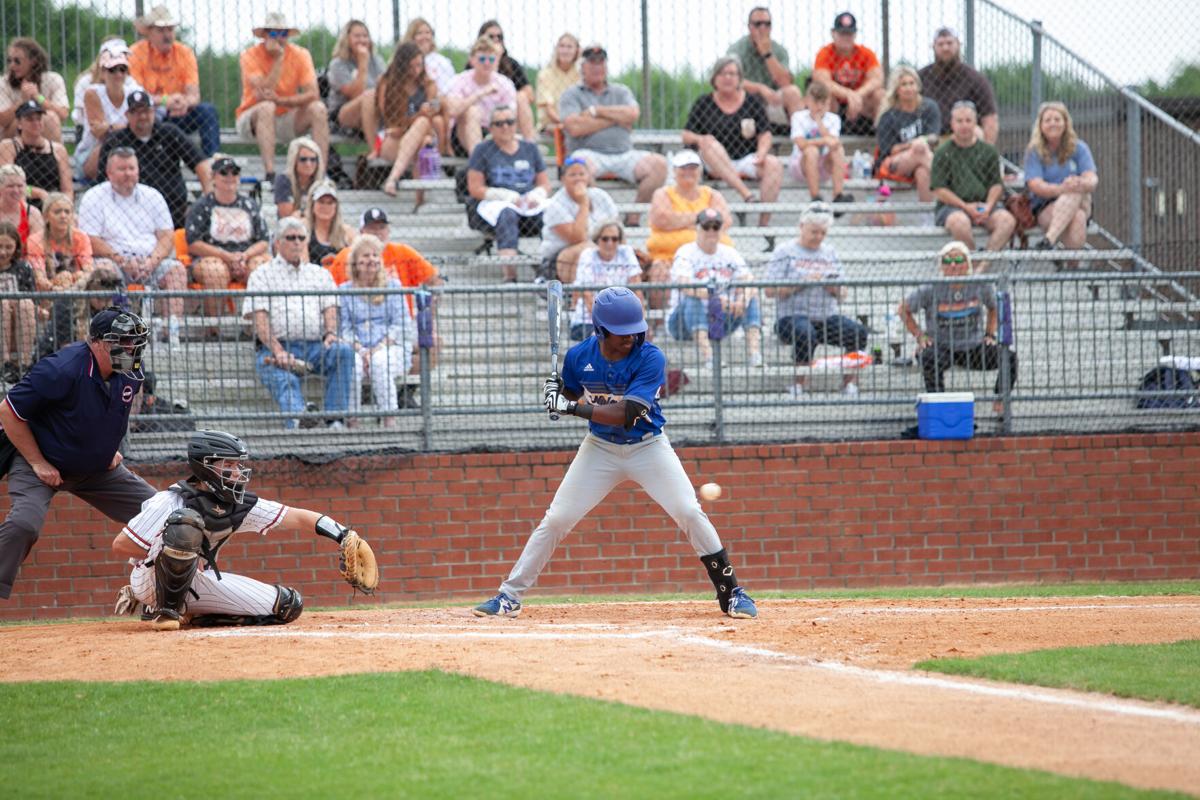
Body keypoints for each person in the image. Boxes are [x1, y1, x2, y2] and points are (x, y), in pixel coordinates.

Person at [473, 286, 757, 620]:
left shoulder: (650, 357)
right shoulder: (579, 356)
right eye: (622, 334)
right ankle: (509, 596)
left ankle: (732, 592)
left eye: (636, 331)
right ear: (600, 330)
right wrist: (556, 393)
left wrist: (570, 407)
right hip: (600, 449)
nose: (631, 338)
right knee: (558, 519)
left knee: (689, 511)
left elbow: (626, 414)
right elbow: (571, 395)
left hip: (648, 445)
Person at [111, 429, 375, 629]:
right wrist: (176, 552)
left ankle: (191, 614)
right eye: (227, 465)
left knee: (287, 606)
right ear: (205, 467)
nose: (236, 472)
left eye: (237, 465)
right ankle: (162, 610)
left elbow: (295, 517)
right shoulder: (170, 500)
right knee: (186, 526)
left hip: (194, 584)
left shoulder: (239, 504)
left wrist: (343, 534)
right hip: (149, 580)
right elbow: (121, 545)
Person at [0, 306, 155, 600]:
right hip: (43, 461)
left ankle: (161, 594)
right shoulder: (61, 369)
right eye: (121, 342)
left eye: (134, 341)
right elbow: (8, 412)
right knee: (24, 524)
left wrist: (110, 450)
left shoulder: (132, 370)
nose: (130, 348)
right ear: (96, 342)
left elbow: (114, 412)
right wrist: (37, 461)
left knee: (163, 515)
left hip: (95, 470)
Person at [243, 216, 353, 430]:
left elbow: (330, 307)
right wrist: (277, 350)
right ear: (277, 243)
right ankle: (299, 420)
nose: (296, 242)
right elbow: (260, 319)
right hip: (275, 348)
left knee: (343, 352)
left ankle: (335, 420)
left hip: (315, 346)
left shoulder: (319, 274)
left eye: (301, 238)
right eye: (290, 237)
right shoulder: (261, 275)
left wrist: (331, 333)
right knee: (286, 380)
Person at [77, 148, 188, 343]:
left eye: (131, 168)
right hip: (112, 260)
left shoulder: (153, 196)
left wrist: (151, 262)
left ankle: (172, 334)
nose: (128, 173)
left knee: (176, 270)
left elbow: (167, 236)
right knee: (104, 271)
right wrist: (122, 260)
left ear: (138, 170)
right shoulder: (93, 197)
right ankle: (110, 334)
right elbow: (89, 239)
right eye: (122, 169)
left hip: (149, 260)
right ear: (109, 173)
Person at [899, 241, 1016, 416]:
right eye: (947, 261)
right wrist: (920, 336)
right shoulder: (930, 288)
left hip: (973, 347)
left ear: (967, 263)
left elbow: (993, 307)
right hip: (942, 347)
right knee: (927, 356)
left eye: (958, 259)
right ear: (941, 267)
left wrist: (990, 334)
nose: (953, 265)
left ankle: (1000, 401)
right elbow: (903, 309)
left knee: (1010, 358)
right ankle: (938, 408)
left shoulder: (979, 284)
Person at [764, 202, 868, 398]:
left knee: (858, 332)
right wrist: (801, 282)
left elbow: (843, 292)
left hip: (826, 317)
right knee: (806, 333)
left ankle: (849, 384)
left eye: (823, 233)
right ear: (801, 227)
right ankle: (798, 385)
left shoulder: (830, 252)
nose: (818, 237)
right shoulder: (784, 251)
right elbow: (769, 290)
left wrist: (833, 288)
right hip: (791, 318)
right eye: (814, 232)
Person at [559, 44, 667, 226]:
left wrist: (595, 111)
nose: (597, 67)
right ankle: (604, 220)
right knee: (579, 168)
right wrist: (615, 119)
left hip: (624, 154)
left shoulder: (621, 91)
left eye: (601, 63)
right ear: (582, 68)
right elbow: (574, 127)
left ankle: (632, 219)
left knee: (659, 165)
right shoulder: (571, 94)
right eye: (592, 63)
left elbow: (633, 114)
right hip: (589, 153)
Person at [682, 55, 782, 225]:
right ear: (714, 78)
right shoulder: (704, 103)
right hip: (714, 162)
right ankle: (747, 195)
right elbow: (686, 134)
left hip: (745, 159)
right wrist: (700, 138)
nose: (727, 78)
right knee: (710, 146)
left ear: (739, 78)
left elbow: (765, 134)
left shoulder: (752, 102)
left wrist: (762, 153)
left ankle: (763, 225)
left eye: (732, 74)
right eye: (722, 73)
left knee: (773, 164)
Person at [97, 90, 213, 230]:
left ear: (154, 112)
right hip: (127, 217)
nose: (143, 116)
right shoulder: (115, 140)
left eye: (147, 111)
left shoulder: (170, 133)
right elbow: (102, 180)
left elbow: (201, 163)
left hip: (173, 213)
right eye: (136, 112)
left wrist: (208, 201)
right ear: (127, 115)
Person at [235, 11, 329, 181]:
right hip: (252, 120)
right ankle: (270, 174)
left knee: (318, 109)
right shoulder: (249, 55)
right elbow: (264, 92)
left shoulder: (301, 54)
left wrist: (281, 100)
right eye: (273, 33)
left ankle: (321, 174)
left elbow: (313, 93)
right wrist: (279, 58)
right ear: (264, 35)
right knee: (266, 108)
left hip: (286, 116)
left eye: (283, 33)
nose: (279, 38)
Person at [667, 208, 762, 369]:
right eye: (706, 226)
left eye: (716, 227)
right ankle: (710, 358)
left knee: (750, 298)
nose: (711, 231)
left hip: (720, 318)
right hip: (682, 323)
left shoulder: (730, 253)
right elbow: (686, 286)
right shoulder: (686, 252)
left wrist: (742, 299)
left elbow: (749, 280)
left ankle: (755, 355)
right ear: (697, 228)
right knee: (693, 299)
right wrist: (715, 299)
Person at [338, 235, 416, 428]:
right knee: (352, 363)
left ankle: (389, 418)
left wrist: (377, 348)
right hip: (358, 347)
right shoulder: (344, 290)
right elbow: (344, 327)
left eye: (375, 255)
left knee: (380, 362)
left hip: (391, 346)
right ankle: (352, 419)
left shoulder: (393, 286)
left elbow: (400, 324)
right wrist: (361, 350)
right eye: (365, 255)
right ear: (355, 262)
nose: (371, 259)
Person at [466, 105, 551, 281]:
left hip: (528, 202)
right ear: (491, 128)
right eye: (499, 123)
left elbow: (544, 184)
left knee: (551, 214)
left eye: (510, 122)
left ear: (516, 125)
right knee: (507, 214)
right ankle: (510, 276)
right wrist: (507, 196)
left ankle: (548, 269)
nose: (505, 127)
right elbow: (475, 188)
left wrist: (536, 195)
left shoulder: (530, 149)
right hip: (497, 202)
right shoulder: (482, 150)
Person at [931, 100, 1016, 269]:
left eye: (968, 121)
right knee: (960, 223)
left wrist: (988, 206)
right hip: (952, 207)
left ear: (975, 122)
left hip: (983, 205)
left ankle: (982, 266)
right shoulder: (942, 152)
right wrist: (965, 206)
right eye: (959, 121)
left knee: (1007, 221)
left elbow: (996, 185)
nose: (964, 125)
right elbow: (940, 190)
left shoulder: (988, 151)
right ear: (952, 124)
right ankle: (972, 263)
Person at [128, 5, 221, 157]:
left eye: (170, 30)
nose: (167, 35)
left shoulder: (185, 52)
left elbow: (194, 95)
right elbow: (135, 96)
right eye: (161, 30)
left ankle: (212, 161)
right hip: (151, 116)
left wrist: (184, 103)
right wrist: (165, 100)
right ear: (149, 33)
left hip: (179, 114)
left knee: (207, 111)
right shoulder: (136, 53)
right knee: (145, 115)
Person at [184, 154, 270, 319]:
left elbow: (264, 240)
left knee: (260, 267)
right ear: (213, 177)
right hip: (211, 258)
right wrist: (227, 256)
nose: (230, 177)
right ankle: (214, 329)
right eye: (224, 173)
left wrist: (244, 256)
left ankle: (256, 328)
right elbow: (193, 243)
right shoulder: (202, 206)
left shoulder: (249, 205)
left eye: (234, 173)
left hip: (245, 257)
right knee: (216, 271)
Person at [1024, 102, 1098, 264]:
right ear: (1041, 125)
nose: (1052, 123)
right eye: (1048, 120)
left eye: (1057, 119)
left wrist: (1079, 182)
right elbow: (1035, 185)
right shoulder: (1034, 151)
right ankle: (1072, 270)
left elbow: (1092, 180)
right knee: (1077, 216)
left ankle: (1049, 240)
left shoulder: (1080, 148)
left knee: (1076, 189)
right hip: (1047, 208)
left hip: (1081, 201)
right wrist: (1062, 189)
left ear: (1065, 123)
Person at [27, 193, 93, 355]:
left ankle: (51, 350)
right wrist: (60, 286)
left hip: (77, 291)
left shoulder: (80, 237)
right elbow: (40, 277)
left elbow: (88, 270)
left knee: (76, 279)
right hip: (49, 293)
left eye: (67, 211)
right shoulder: (36, 240)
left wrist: (72, 283)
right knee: (65, 284)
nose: (63, 216)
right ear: (46, 216)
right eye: (57, 212)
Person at [538, 155, 619, 283]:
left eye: (582, 174)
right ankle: (580, 297)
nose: (578, 178)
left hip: (601, 247)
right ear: (563, 179)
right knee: (586, 250)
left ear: (588, 177)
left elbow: (616, 228)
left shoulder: (601, 196)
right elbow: (578, 238)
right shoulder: (556, 204)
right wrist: (583, 203)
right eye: (573, 175)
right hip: (560, 259)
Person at [646, 149, 733, 264]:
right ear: (674, 171)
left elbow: (723, 221)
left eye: (693, 168)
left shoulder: (712, 195)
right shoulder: (663, 194)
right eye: (683, 168)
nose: (688, 172)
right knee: (659, 268)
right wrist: (703, 219)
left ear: (700, 171)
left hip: (709, 257)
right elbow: (662, 219)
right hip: (669, 256)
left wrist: (678, 221)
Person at [375, 42, 437, 196]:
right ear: (402, 66)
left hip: (416, 134)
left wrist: (432, 106)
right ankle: (419, 200)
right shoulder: (387, 83)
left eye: (419, 65)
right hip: (392, 139)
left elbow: (435, 107)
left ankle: (392, 179)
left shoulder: (428, 83)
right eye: (411, 66)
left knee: (423, 129)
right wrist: (417, 117)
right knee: (422, 137)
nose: (416, 70)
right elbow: (390, 120)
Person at [75, 42, 143, 181]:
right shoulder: (93, 93)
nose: (118, 74)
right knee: (112, 143)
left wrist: (109, 127)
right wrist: (129, 127)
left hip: (128, 150)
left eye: (123, 69)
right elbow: (99, 133)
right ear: (103, 72)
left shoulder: (134, 92)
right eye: (112, 69)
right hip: (92, 153)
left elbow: (144, 127)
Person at [725, 7, 803, 129]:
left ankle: (800, 139)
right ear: (749, 27)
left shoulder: (779, 50)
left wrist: (768, 54)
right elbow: (731, 81)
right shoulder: (737, 50)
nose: (762, 28)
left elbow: (785, 83)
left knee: (793, 92)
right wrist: (760, 89)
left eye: (767, 24)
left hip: (772, 102)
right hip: (744, 103)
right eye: (758, 24)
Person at [919, 27, 999, 145]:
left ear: (958, 45)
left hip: (963, 138)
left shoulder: (975, 79)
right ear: (933, 47)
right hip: (930, 138)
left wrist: (987, 150)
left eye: (949, 43)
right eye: (940, 44)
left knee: (977, 132)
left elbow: (990, 118)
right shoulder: (921, 78)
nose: (945, 48)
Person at [444, 37, 519, 158]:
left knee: (504, 121)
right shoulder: (460, 80)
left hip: (495, 131)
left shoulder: (504, 83)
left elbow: (511, 115)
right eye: (482, 59)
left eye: (491, 59)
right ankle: (477, 162)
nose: (487, 63)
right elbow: (453, 110)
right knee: (472, 111)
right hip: (462, 136)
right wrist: (480, 94)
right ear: (472, 60)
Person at [811, 12, 884, 136]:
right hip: (836, 107)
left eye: (849, 34)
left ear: (855, 34)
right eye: (842, 33)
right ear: (833, 33)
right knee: (826, 95)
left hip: (860, 106)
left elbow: (878, 79)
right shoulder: (825, 53)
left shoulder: (865, 53)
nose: (846, 38)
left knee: (880, 94)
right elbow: (822, 81)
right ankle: (827, 138)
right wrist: (848, 94)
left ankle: (880, 136)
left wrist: (857, 95)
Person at [569, 220, 643, 341]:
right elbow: (588, 296)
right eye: (605, 239)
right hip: (588, 321)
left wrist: (639, 323)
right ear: (597, 240)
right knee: (604, 338)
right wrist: (610, 326)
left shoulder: (626, 253)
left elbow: (637, 291)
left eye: (614, 239)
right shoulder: (588, 255)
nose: (610, 243)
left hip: (622, 323)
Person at [874, 66, 940, 202]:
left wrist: (922, 142)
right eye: (904, 84)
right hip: (893, 164)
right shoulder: (888, 116)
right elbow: (889, 150)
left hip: (924, 159)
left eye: (912, 83)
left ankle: (926, 217)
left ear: (918, 86)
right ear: (896, 90)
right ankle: (947, 181)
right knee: (919, 148)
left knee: (922, 173)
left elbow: (934, 138)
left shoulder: (929, 107)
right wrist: (913, 144)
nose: (909, 88)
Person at [788, 81, 851, 204]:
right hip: (802, 165)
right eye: (816, 102)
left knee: (838, 150)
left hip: (823, 166)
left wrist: (819, 122)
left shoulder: (833, 119)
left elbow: (834, 143)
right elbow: (801, 144)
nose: (820, 107)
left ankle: (838, 195)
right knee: (812, 151)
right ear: (807, 101)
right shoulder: (798, 117)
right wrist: (824, 140)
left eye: (824, 103)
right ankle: (815, 198)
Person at [326, 19, 386, 149]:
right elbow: (356, 95)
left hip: (375, 109)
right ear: (347, 39)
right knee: (369, 95)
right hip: (344, 114)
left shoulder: (377, 60)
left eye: (365, 36)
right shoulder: (338, 64)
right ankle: (374, 150)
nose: (362, 40)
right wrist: (362, 63)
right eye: (357, 36)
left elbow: (386, 86)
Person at [0, 100, 72, 204]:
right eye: (30, 119)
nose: (36, 123)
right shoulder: (8, 146)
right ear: (19, 124)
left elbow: (68, 189)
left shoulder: (58, 149)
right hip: (20, 200)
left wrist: (63, 204)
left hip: (52, 202)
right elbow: (7, 184)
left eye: (39, 119)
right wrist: (38, 193)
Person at [1, 38, 68, 142]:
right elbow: (2, 121)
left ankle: (50, 157)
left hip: (44, 131)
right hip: (13, 134)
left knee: (50, 118)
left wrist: (38, 97)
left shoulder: (53, 79)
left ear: (33, 61)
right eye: (9, 60)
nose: (12, 65)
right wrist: (22, 102)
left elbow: (63, 115)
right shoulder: (3, 82)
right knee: (26, 120)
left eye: (17, 61)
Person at [477, 20, 537, 138]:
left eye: (499, 37)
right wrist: (495, 57)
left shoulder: (511, 64)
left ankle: (530, 144)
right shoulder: (476, 62)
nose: (495, 40)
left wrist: (508, 96)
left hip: (509, 109)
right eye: (491, 36)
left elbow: (529, 94)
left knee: (521, 97)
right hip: (484, 112)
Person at [0, 221, 36, 379]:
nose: (3, 252)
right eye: (0, 246)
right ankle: (4, 363)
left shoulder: (23, 268)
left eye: (8, 247)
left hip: (20, 322)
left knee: (25, 303)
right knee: (3, 304)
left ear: (16, 247)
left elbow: (33, 298)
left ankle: (24, 364)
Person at [303, 179, 355, 267]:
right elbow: (303, 264)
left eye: (330, 203)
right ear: (312, 205)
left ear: (336, 206)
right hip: (312, 278)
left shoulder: (347, 232)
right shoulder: (304, 229)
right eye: (321, 202)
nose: (325, 207)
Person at [536, 33, 580, 133]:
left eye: (569, 47)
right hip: (552, 123)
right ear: (556, 49)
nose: (565, 51)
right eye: (562, 46)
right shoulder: (545, 74)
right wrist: (567, 123)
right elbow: (549, 109)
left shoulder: (580, 74)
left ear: (576, 50)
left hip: (577, 122)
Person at [273, 136, 324, 219]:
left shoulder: (322, 182)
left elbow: (326, 215)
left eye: (313, 159)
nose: (308, 164)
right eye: (303, 159)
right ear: (294, 161)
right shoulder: (284, 180)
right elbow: (287, 216)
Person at [0, 164, 43, 244]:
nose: (16, 190)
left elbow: (37, 248)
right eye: (10, 186)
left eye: (20, 186)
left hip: (25, 256)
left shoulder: (32, 213)